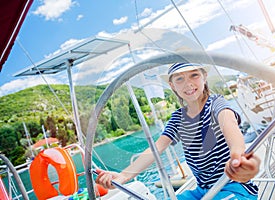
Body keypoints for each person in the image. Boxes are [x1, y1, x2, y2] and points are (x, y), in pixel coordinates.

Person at [96, 63, 261, 199]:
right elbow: (156, 149)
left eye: (194, 75)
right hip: (202, 191)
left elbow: (229, 123)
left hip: (233, 186)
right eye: (180, 79)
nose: (188, 83)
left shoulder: (216, 104)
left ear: (204, 77)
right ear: (172, 85)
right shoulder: (178, 118)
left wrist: (237, 156)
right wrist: (123, 176)